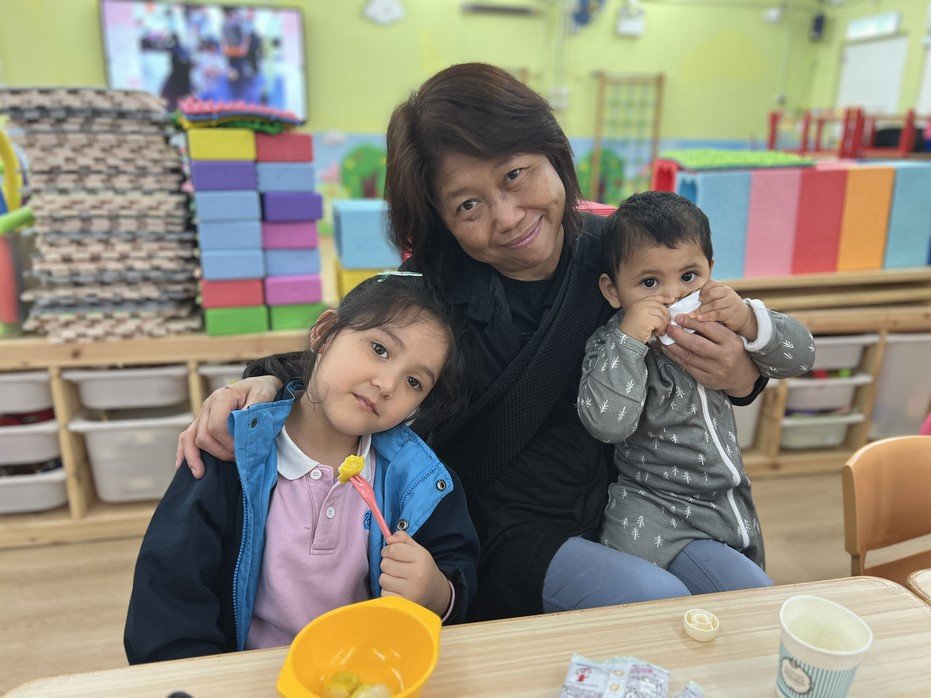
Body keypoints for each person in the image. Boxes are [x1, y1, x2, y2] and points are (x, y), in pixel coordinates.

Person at [177, 63, 769, 621]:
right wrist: (265, 379)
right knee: (657, 605)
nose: (507, 217)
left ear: (553, 153)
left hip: (637, 500)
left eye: (515, 174)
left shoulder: (624, 252)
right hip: (507, 528)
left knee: (753, 599)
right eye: (468, 205)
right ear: (441, 222)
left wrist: (744, 373)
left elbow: (720, 337)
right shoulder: (434, 291)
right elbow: (354, 348)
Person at [125, 274, 479, 663]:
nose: (386, 384)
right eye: (379, 348)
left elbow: (454, 570)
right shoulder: (230, 451)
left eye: (414, 381)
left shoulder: (421, 481)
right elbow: (168, 604)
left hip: (365, 676)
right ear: (324, 335)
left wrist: (438, 593)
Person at [578, 191, 815, 593]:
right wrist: (629, 340)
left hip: (725, 501)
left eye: (689, 276)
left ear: (711, 270)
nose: (673, 295)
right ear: (613, 291)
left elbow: (802, 356)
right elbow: (607, 424)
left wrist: (748, 320)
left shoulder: (722, 319)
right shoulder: (611, 344)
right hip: (650, 507)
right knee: (644, 608)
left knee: (746, 594)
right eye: (649, 282)